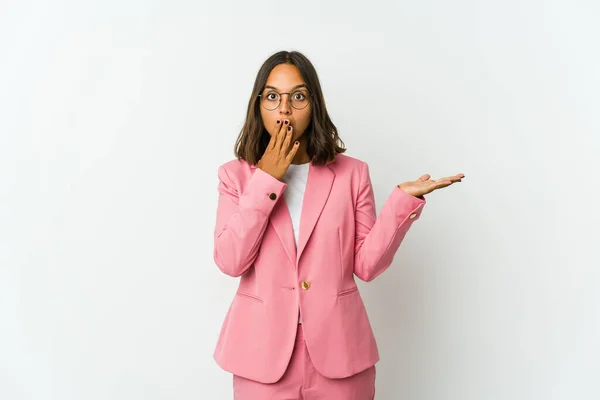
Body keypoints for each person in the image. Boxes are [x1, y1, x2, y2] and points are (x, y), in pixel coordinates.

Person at [212, 50, 464, 400]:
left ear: (314, 104)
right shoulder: (234, 176)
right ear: (259, 106)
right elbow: (230, 260)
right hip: (261, 356)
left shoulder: (351, 173)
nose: (284, 108)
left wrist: (401, 203)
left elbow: (366, 266)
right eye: (272, 97)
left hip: (340, 354)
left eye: (297, 96)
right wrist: (266, 179)